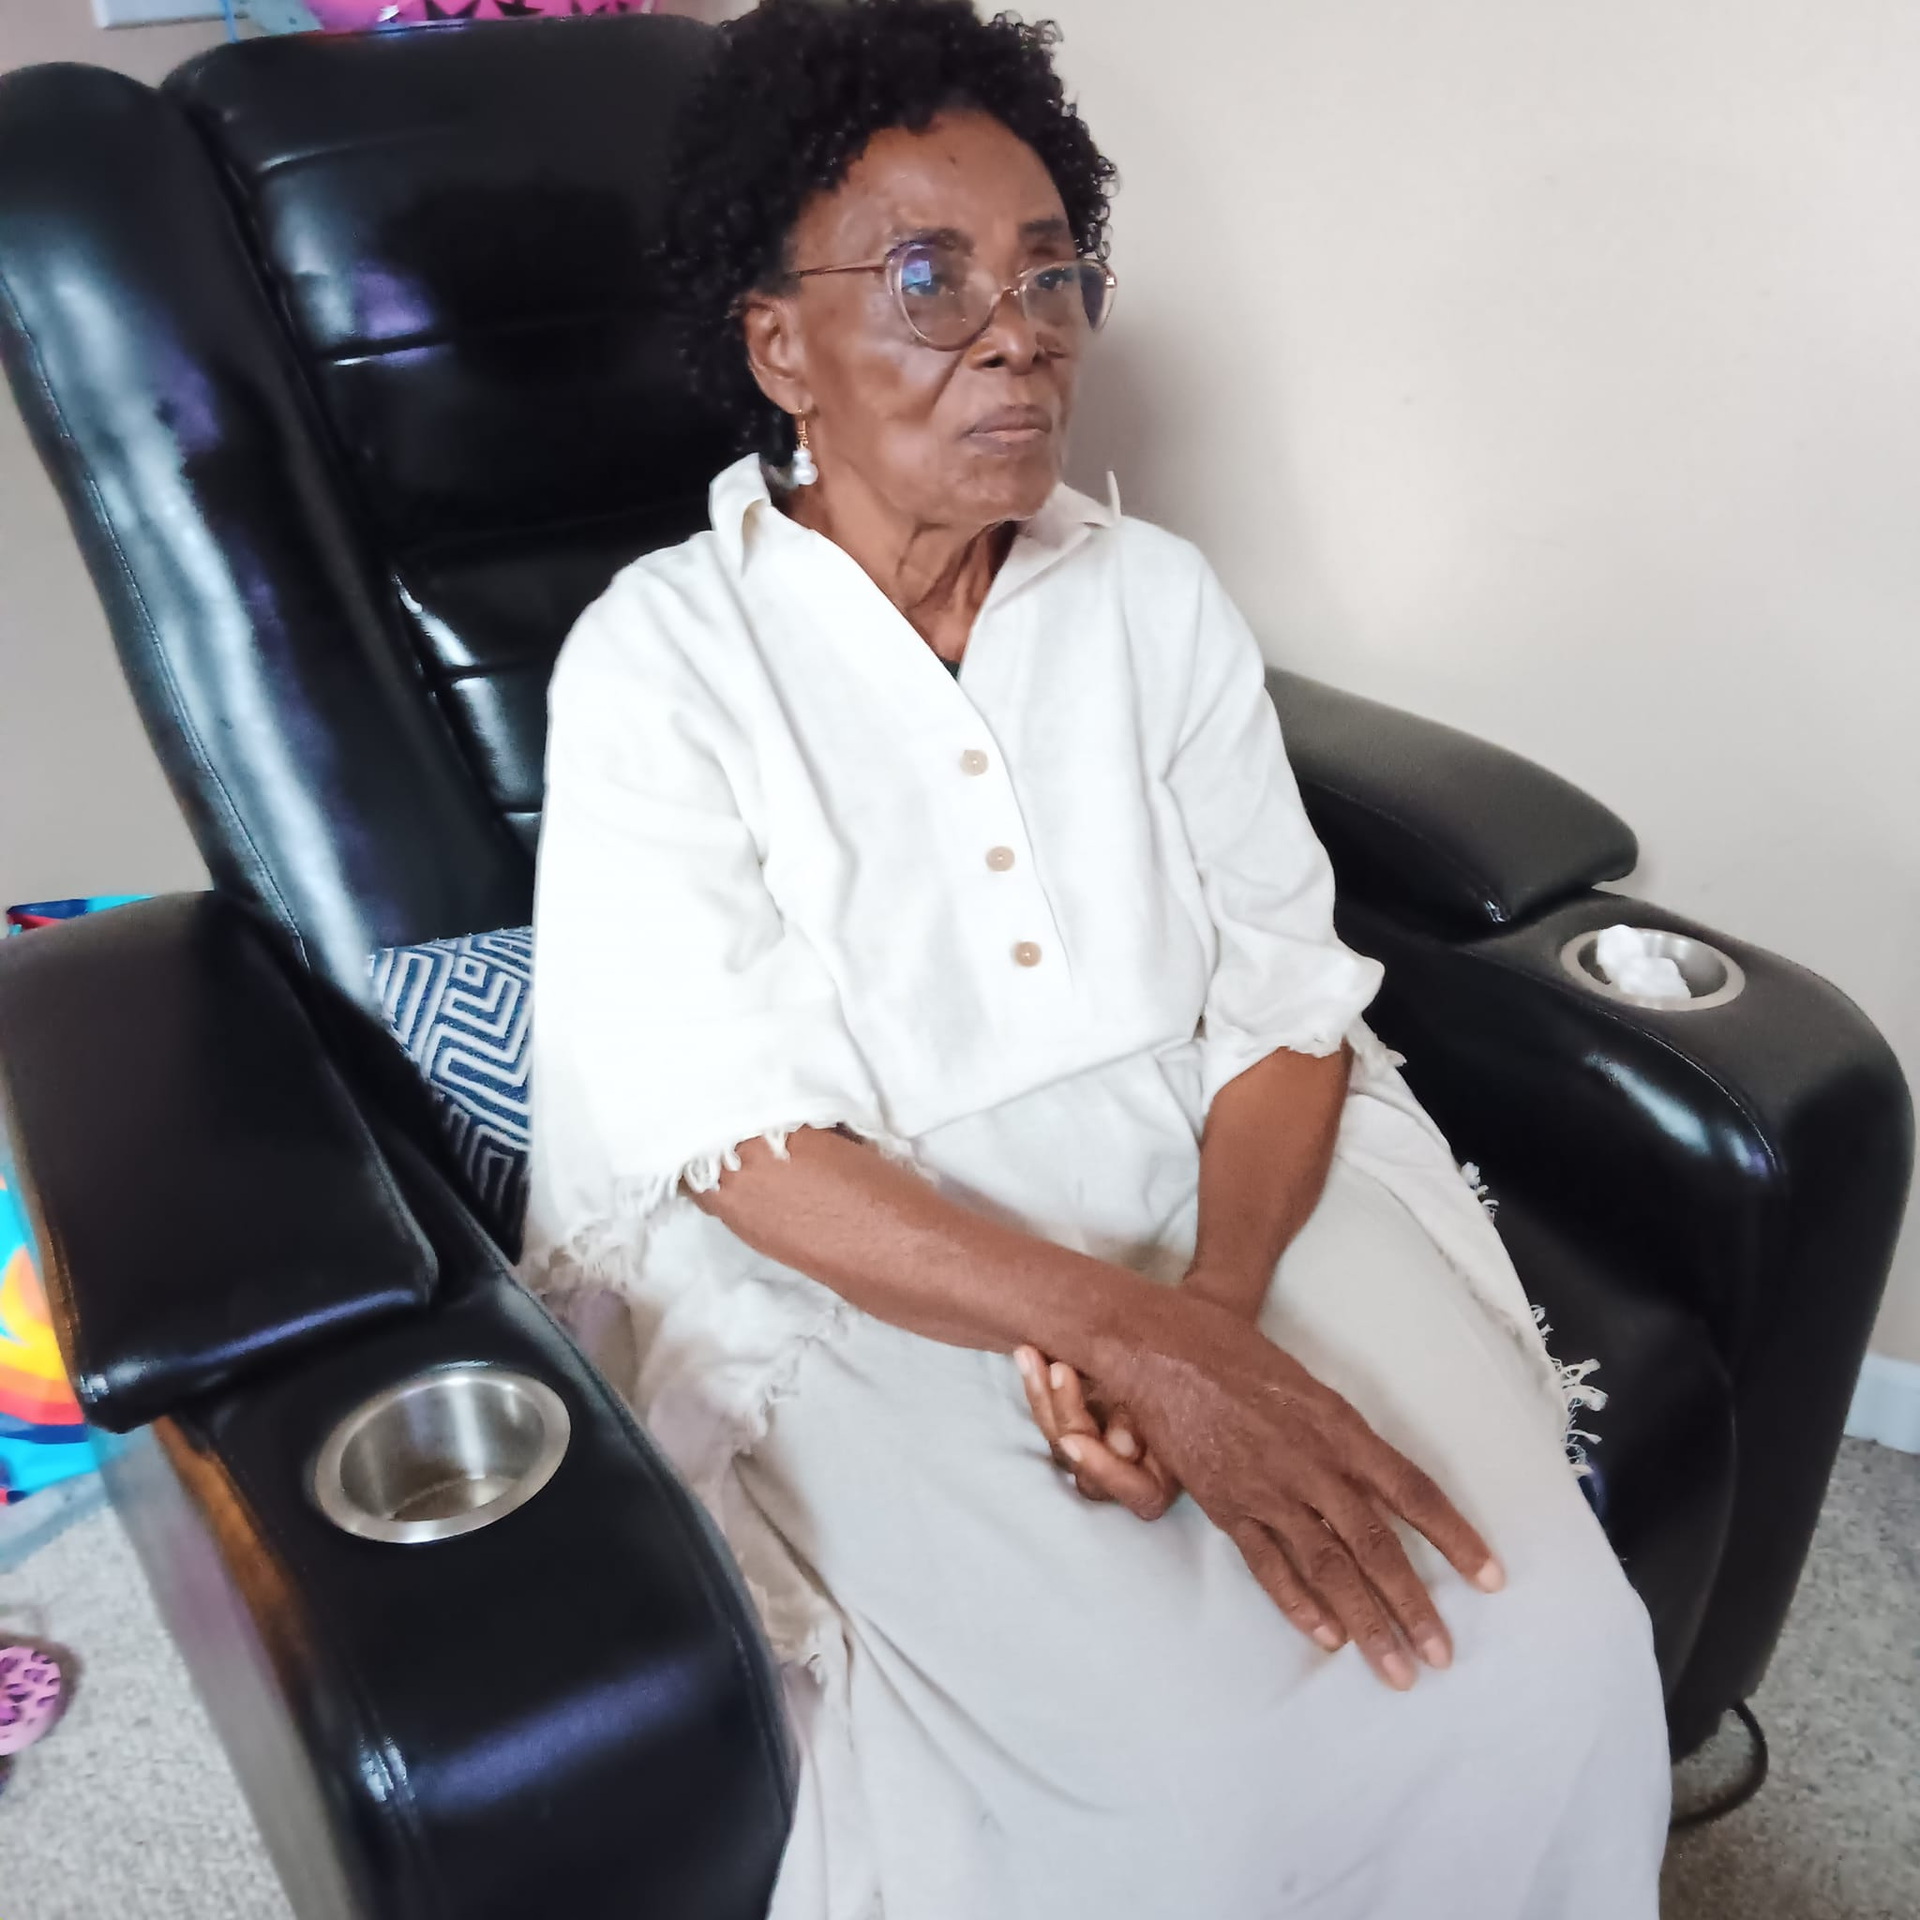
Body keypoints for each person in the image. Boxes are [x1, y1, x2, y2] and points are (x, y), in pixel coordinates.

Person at [520, 2, 1670, 1912]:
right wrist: (1130, 1340)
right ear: (779, 347)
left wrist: (1210, 1311)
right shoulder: (665, 659)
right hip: (868, 1244)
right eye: (930, 277)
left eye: (1052, 272)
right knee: (1158, 1804)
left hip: (1221, 1167)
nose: (1019, 331)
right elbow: (736, 1142)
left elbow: (1284, 1004)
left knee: (1550, 1662)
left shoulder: (1155, 600)